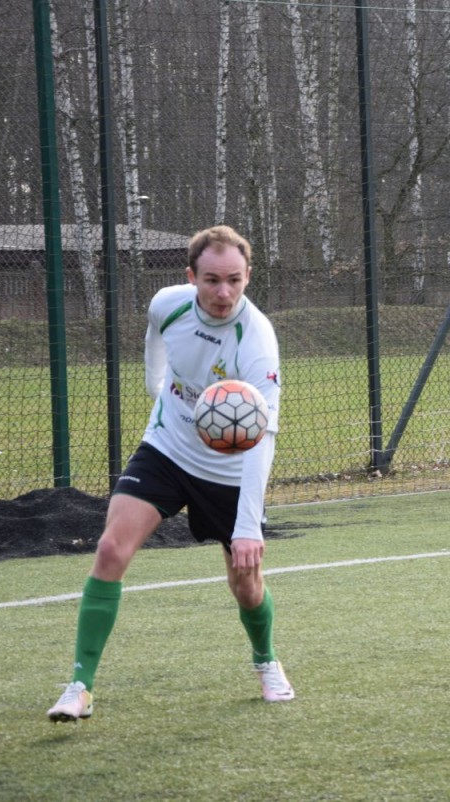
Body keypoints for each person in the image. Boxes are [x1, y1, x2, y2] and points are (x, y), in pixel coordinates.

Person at [47, 224, 293, 722]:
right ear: (191, 276)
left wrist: (248, 526)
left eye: (234, 280)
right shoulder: (168, 303)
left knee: (247, 585)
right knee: (111, 549)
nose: (223, 292)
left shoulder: (257, 341)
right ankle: (80, 686)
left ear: (248, 277)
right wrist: (156, 385)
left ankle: (266, 660)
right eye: (212, 280)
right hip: (167, 448)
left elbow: (263, 437)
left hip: (230, 472)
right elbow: (155, 335)